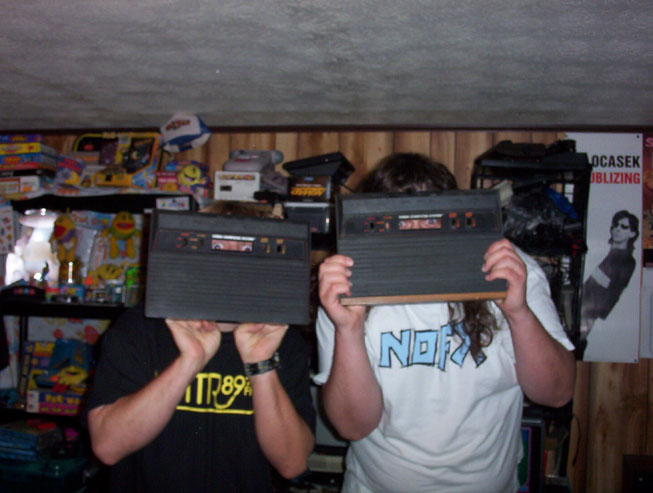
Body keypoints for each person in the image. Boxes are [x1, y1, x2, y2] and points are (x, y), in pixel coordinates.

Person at [314, 153, 576, 492]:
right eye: (399, 218)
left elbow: (557, 393)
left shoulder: (509, 271)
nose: (416, 230)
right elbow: (353, 426)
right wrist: (349, 330)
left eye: (429, 214)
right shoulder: (347, 288)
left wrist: (518, 312)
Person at [85, 201, 315, 493]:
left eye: (246, 249)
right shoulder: (140, 327)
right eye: (217, 247)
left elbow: (293, 463)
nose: (230, 261)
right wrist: (189, 360)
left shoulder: (282, 338)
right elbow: (108, 446)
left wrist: (261, 363)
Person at [580, 209, 639, 340]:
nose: (617, 229)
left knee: (577, 339)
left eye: (624, 227)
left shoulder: (627, 261)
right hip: (581, 300)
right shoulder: (605, 252)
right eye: (615, 225)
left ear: (632, 233)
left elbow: (612, 287)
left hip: (591, 307)